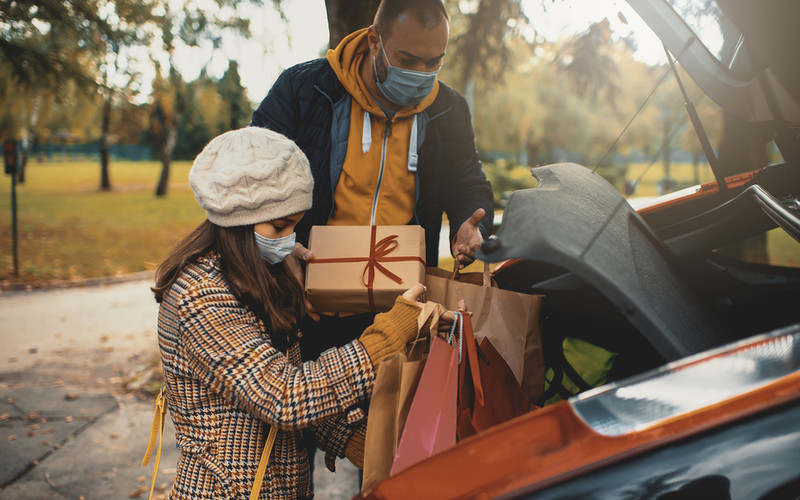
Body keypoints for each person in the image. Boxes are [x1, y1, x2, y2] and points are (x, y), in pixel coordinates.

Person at [151, 127, 452, 499]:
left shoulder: (256, 274)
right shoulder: (200, 296)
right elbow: (284, 397)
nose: (290, 240)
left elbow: (283, 387)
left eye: (295, 225)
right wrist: (387, 336)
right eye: (280, 226)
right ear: (237, 220)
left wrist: (351, 440)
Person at [250, 0, 494, 361]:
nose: (421, 74)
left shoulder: (449, 109)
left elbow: (467, 182)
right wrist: (280, 246)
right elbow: (251, 177)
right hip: (307, 301)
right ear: (374, 40)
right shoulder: (303, 89)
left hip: (399, 313)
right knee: (307, 409)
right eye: (408, 60)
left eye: (434, 63)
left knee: (387, 414)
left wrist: (469, 222)